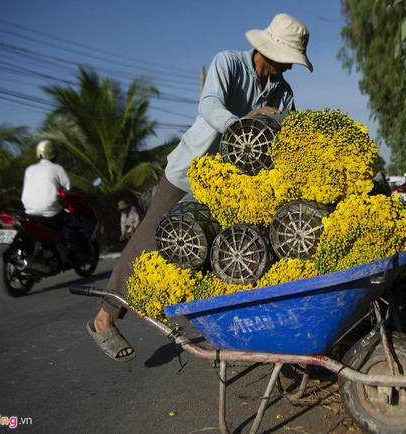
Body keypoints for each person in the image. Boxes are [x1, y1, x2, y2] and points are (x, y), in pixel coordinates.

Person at [87, 13, 313, 362]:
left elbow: (289, 134)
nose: (290, 69)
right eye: (288, 61)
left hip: (235, 186)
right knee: (149, 238)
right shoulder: (229, 63)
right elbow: (209, 106)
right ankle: (105, 318)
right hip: (189, 172)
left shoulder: (283, 92)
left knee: (222, 253)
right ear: (270, 52)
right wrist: (243, 124)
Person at [21, 140, 96, 259]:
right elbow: (71, 188)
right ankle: (79, 253)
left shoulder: (29, 170)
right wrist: (87, 195)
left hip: (29, 212)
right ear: (54, 154)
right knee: (87, 224)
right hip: (50, 213)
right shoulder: (57, 169)